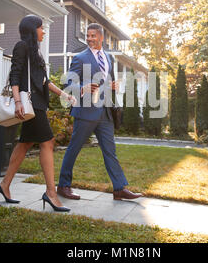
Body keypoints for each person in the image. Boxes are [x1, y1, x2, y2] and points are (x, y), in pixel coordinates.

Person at [0, 15, 76, 212]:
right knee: (47, 142)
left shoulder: (36, 53)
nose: (44, 31)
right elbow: (14, 75)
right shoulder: (21, 46)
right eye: (41, 28)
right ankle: (50, 193)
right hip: (29, 104)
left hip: (37, 104)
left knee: (24, 144)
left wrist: (63, 94)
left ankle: (5, 185)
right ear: (32, 30)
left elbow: (44, 82)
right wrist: (16, 101)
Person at [57, 23, 143, 201]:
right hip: (85, 112)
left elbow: (105, 81)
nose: (89, 39)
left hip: (105, 112)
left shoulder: (109, 58)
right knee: (74, 149)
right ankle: (63, 185)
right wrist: (83, 87)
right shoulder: (80, 58)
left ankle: (119, 188)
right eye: (87, 36)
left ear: (101, 37)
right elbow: (68, 84)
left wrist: (111, 85)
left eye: (93, 36)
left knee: (110, 151)